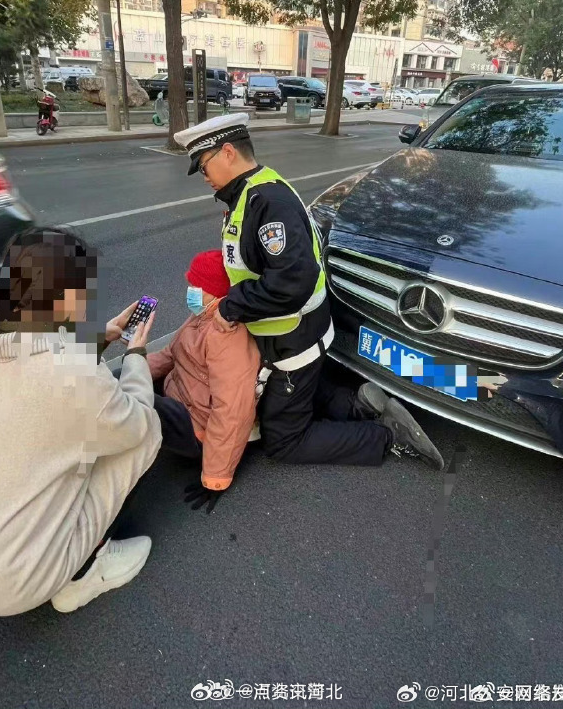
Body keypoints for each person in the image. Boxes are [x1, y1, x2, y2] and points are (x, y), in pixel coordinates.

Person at [174, 114, 444, 471]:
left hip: (293, 342)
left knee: (283, 440)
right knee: (292, 397)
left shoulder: (267, 203)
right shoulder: (248, 194)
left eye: (204, 165)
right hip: (284, 338)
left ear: (227, 152)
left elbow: (292, 282)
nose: (203, 176)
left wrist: (230, 308)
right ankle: (360, 404)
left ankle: (386, 437)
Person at [0, 227, 161, 616]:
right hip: (10, 583)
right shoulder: (71, 375)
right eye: (86, 290)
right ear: (67, 297)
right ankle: (85, 572)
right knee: (147, 431)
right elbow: (133, 423)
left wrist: (100, 337)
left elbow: (46, 358)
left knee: (79, 429)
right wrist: (135, 353)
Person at [145, 250, 261, 513]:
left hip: (196, 428)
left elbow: (232, 411)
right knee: (122, 383)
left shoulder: (227, 337)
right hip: (180, 399)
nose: (189, 290)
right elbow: (169, 355)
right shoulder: (203, 314)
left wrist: (215, 478)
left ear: (215, 290)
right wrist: (133, 368)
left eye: (195, 285)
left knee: (137, 405)